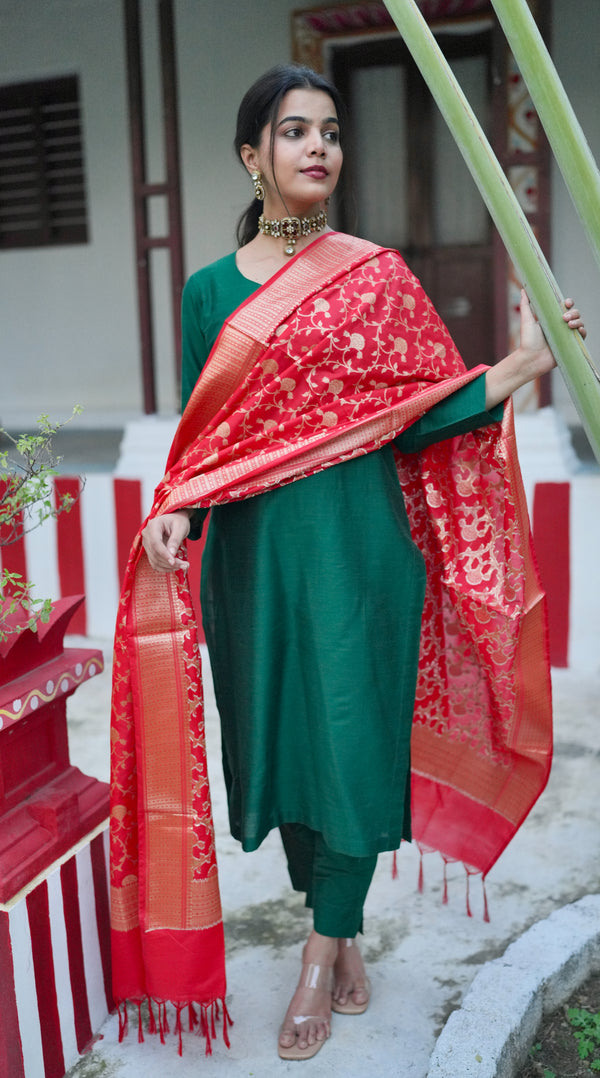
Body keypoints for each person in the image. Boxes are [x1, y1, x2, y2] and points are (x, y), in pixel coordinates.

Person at [116, 64, 585, 1061]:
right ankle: (342, 922)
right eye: (295, 131)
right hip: (253, 563)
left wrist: (521, 363)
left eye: (331, 130)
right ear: (253, 156)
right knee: (283, 753)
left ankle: (321, 957)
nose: (320, 145)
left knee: (352, 750)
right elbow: (207, 443)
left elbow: (425, 415)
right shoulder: (210, 294)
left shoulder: (375, 277)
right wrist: (176, 512)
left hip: (362, 555)